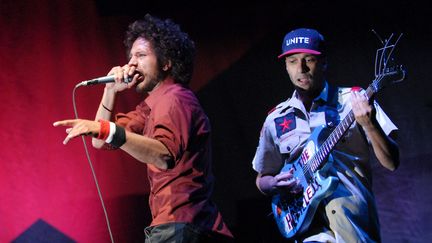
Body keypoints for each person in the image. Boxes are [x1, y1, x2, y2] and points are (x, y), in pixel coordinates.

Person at [54, 14, 233, 242]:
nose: (131, 64)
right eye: (130, 57)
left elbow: (162, 155)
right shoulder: (150, 106)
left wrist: (106, 131)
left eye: (140, 55)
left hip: (182, 225)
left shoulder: (175, 99)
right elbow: (100, 141)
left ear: (167, 62)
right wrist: (110, 91)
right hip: (175, 225)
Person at [251, 28, 400, 242]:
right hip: (308, 232)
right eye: (292, 61)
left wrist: (370, 124)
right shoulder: (275, 120)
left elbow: (392, 162)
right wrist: (272, 184)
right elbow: (262, 177)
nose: (300, 69)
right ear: (285, 65)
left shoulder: (354, 100)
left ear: (324, 62)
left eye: (308, 59)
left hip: (353, 229)